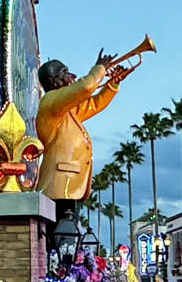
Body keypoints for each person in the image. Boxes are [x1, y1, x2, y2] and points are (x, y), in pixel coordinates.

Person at [34, 49, 129, 200]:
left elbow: (94, 104)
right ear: (54, 81)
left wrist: (113, 84)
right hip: (60, 186)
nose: (72, 77)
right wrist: (100, 68)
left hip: (71, 186)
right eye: (65, 72)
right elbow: (85, 87)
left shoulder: (66, 112)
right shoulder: (50, 101)